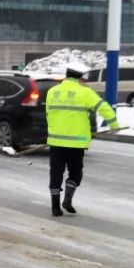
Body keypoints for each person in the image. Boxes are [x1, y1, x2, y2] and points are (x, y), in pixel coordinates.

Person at [44, 61, 120, 217]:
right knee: (75, 173)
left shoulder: (52, 92)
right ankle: (67, 200)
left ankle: (55, 207)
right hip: (76, 143)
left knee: (56, 173)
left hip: (56, 142)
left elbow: (48, 114)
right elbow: (103, 107)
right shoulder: (85, 92)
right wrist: (114, 124)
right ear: (81, 77)